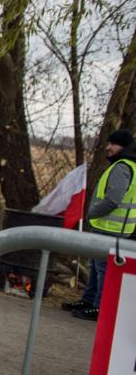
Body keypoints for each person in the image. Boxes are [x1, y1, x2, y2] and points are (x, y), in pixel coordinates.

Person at [62, 129, 136, 320]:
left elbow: (113, 199)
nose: (108, 147)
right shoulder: (126, 165)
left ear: (124, 147)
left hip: (111, 228)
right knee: (95, 265)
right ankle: (89, 300)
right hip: (110, 227)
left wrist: (92, 213)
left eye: (113, 144)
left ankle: (98, 307)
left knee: (103, 268)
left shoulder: (122, 167)